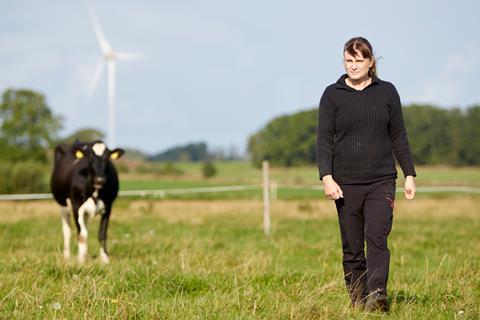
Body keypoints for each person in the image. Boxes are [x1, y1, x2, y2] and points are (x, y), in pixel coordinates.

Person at [316, 37, 416, 312]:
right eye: (349, 60)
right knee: (352, 247)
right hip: (345, 183)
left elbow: (398, 135)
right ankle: (358, 301)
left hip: (381, 180)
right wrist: (327, 177)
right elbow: (323, 140)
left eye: (359, 60)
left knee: (377, 237)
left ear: (371, 62)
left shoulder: (387, 92)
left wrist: (409, 173)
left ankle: (377, 295)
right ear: (344, 61)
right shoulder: (332, 95)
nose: (354, 66)